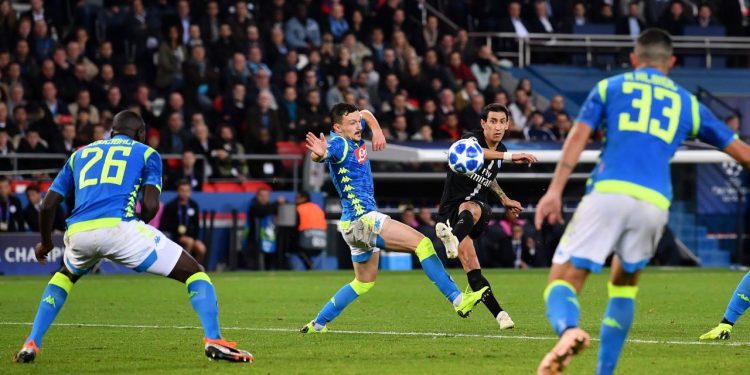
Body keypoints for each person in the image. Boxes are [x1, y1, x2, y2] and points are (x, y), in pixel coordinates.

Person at [533, 29, 750, 375]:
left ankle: (569, 329)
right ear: (672, 63)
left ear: (634, 59)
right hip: (654, 204)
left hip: (609, 190)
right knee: (624, 283)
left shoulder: (610, 87)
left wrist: (555, 190)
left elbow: (577, 137)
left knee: (563, 279)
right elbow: (742, 153)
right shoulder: (687, 103)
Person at [14, 111, 254, 363]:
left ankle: (31, 343)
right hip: (121, 228)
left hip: (79, 232)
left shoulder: (79, 154)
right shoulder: (147, 152)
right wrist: (137, 233)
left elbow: (47, 205)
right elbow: (150, 206)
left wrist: (46, 243)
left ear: (112, 131)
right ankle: (214, 340)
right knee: (195, 272)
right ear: (140, 133)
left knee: (64, 276)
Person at [300, 103, 489, 333]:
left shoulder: (352, 134)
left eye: (357, 121)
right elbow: (324, 153)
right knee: (423, 244)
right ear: (337, 128)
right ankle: (459, 300)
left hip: (351, 225)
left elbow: (366, 114)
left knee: (363, 282)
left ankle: (317, 324)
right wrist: (319, 154)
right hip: (364, 220)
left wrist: (376, 130)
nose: (358, 126)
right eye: (351, 123)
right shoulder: (339, 143)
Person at [435, 103, 537, 330]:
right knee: (472, 268)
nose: (498, 126)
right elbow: (477, 154)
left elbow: (488, 179)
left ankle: (453, 238)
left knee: (471, 206)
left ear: (508, 124)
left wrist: (504, 199)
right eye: (493, 121)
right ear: (483, 123)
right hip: (450, 211)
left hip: (476, 209)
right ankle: (501, 315)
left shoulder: (500, 152)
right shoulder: (471, 140)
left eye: (502, 122)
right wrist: (511, 156)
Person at [162, 180, 206, 265]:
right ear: (178, 191)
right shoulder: (171, 206)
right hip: (175, 236)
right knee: (189, 242)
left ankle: (196, 268)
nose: (185, 193)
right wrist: (177, 232)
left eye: (187, 191)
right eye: (182, 190)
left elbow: (196, 224)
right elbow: (165, 225)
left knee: (201, 248)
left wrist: (195, 238)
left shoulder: (193, 205)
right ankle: (184, 266)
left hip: (191, 237)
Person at [295, 191, 327, 270]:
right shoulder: (317, 207)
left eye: (297, 198)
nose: (295, 200)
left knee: (294, 246)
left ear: (304, 198)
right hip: (322, 240)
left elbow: (295, 225)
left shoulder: (299, 208)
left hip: (307, 240)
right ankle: (312, 265)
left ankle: (309, 264)